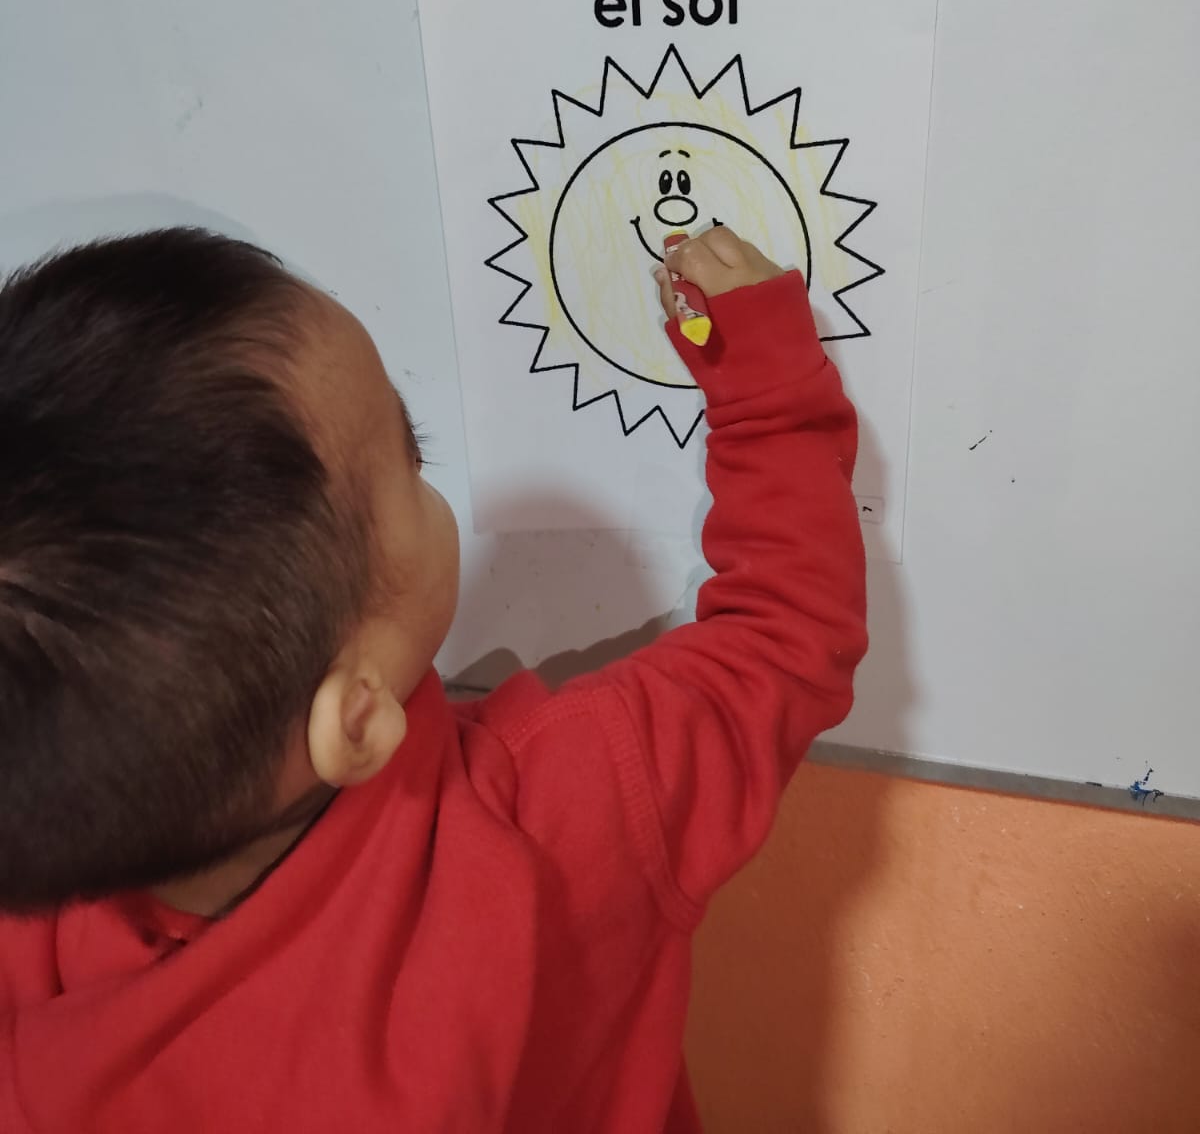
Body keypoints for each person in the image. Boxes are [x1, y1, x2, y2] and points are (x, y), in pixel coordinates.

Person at [0, 223, 866, 1133]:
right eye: (409, 457)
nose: (425, 472)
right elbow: (786, 632)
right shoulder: (562, 819)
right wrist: (764, 383)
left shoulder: (35, 931)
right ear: (355, 721)